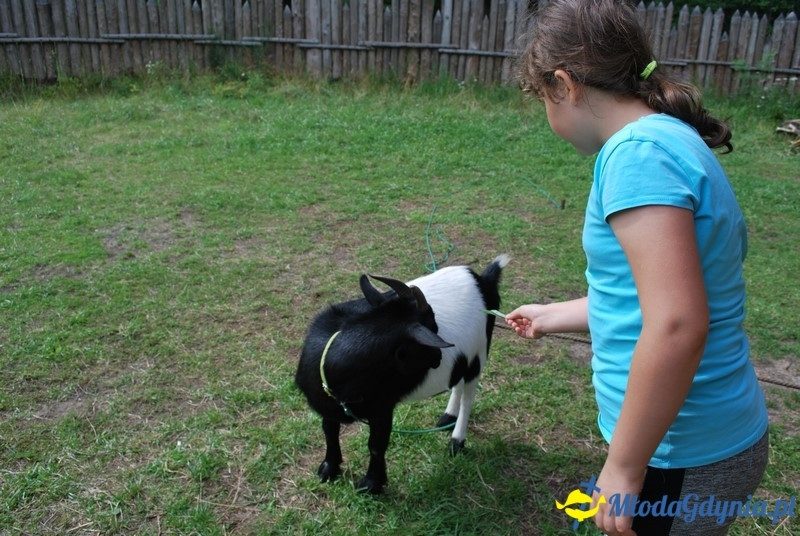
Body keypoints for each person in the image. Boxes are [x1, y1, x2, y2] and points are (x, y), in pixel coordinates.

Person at [506, 1, 769, 535]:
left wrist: (624, 467)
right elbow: (649, 298)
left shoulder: (637, 157)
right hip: (704, 439)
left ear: (564, 84)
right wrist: (556, 314)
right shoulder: (668, 139)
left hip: (681, 452)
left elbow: (676, 325)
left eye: (542, 100)